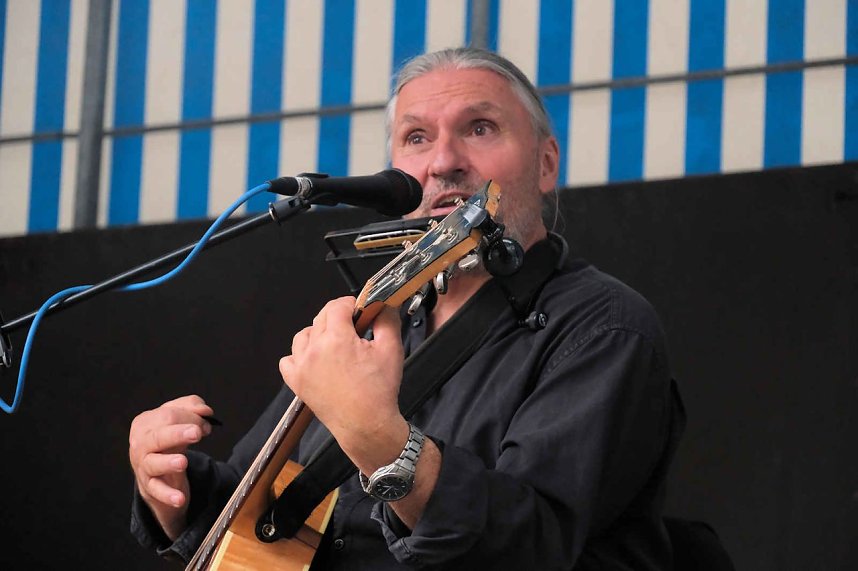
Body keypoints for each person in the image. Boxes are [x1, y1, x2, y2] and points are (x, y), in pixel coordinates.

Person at [129, 47, 684, 570]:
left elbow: (531, 546)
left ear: (545, 164)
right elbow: (258, 516)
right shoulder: (369, 321)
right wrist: (172, 491)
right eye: (417, 137)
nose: (444, 161)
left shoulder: (603, 326)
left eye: (480, 128)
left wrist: (382, 443)